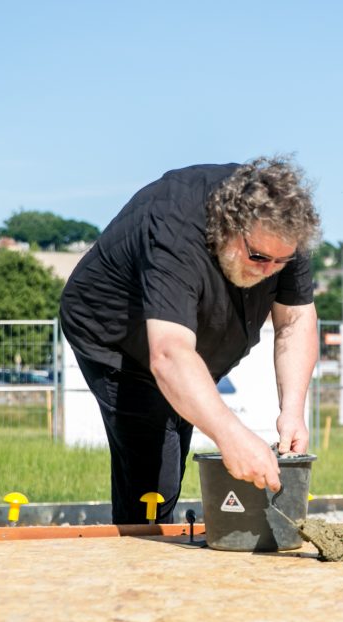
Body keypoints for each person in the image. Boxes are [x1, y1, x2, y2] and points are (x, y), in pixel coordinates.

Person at [60, 156, 321, 524]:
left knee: (180, 426)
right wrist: (231, 436)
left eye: (281, 263)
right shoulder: (175, 225)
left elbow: (295, 319)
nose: (268, 272)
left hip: (196, 343)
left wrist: (292, 412)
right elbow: (168, 354)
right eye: (259, 257)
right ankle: (142, 553)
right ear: (229, 228)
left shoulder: (285, 226)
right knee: (154, 473)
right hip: (117, 340)